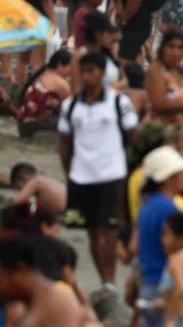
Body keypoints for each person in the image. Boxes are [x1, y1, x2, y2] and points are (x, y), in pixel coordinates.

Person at [57, 51, 138, 293]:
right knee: (92, 231)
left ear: (102, 73)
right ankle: (103, 279)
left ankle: (110, 281)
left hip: (112, 174)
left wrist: (129, 167)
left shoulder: (118, 103)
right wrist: (68, 170)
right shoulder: (70, 106)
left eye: (91, 71)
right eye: (83, 71)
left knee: (108, 229)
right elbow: (63, 142)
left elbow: (133, 134)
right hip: (82, 175)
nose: (86, 76)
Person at [135, 146, 183, 327]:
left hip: (147, 283)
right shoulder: (169, 209)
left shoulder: (147, 206)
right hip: (165, 285)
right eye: (181, 173)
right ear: (169, 178)